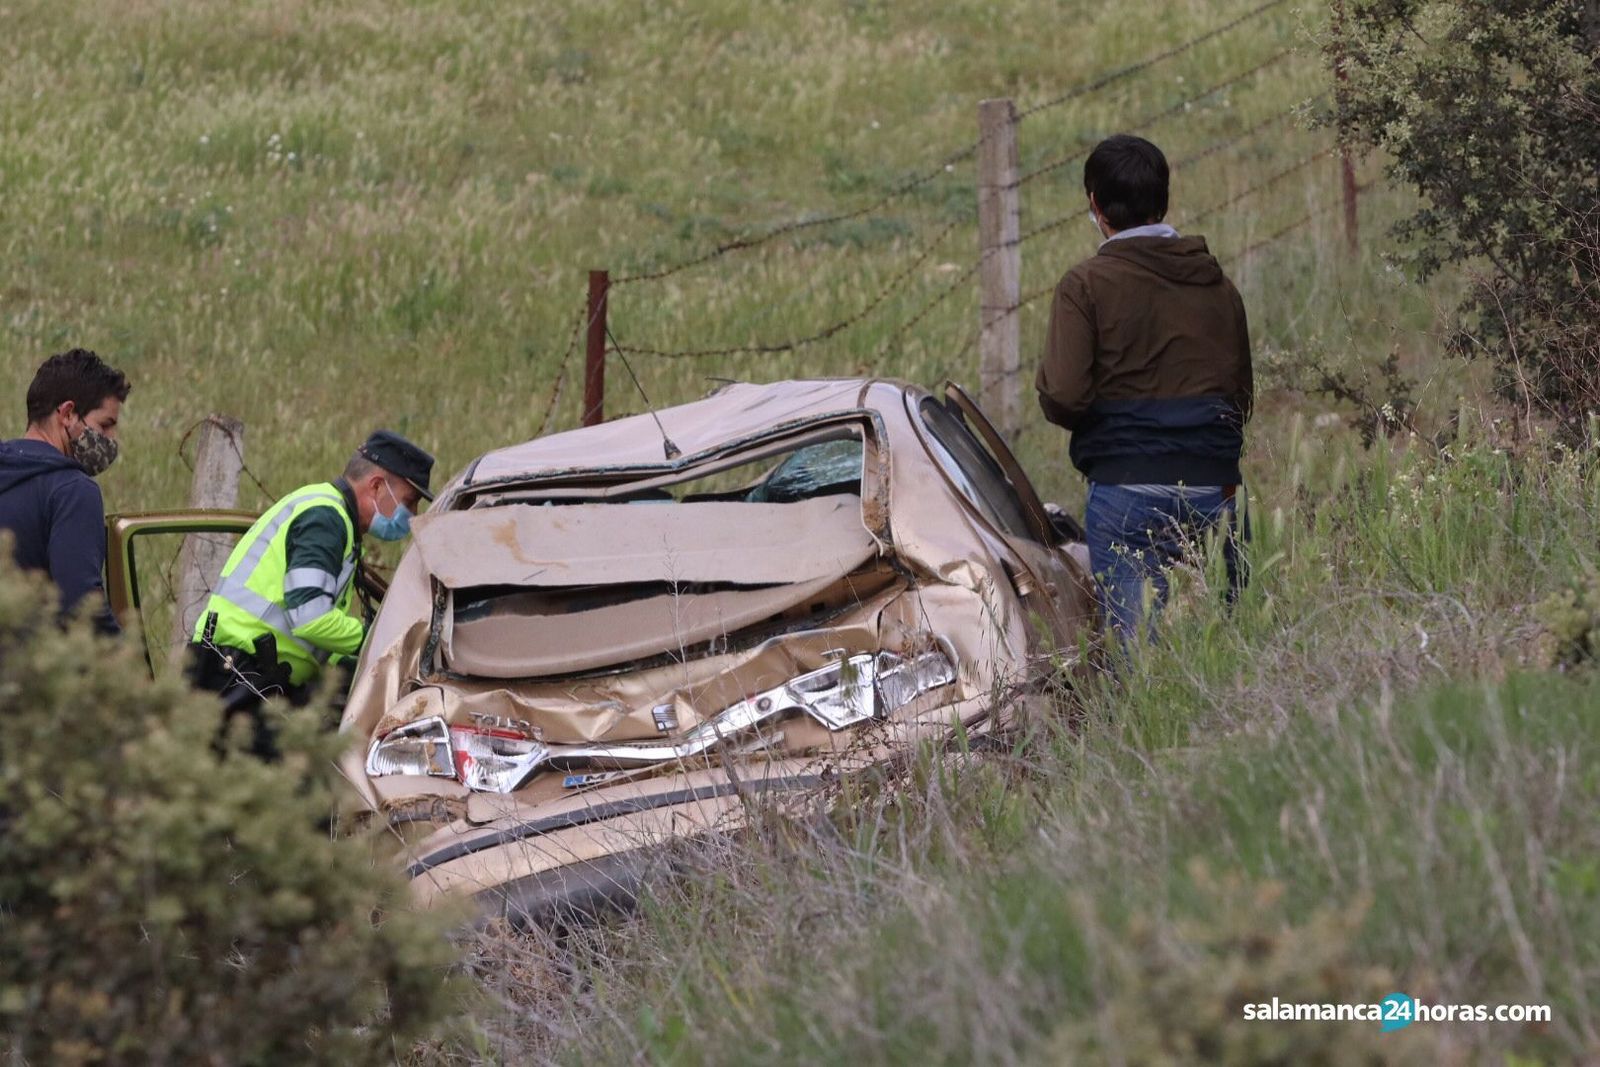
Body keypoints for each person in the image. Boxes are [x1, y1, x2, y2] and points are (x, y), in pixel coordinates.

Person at [1035, 134, 1252, 643]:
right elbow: (1240, 399)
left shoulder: (1084, 285)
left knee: (1140, 666)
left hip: (1126, 490)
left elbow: (1064, 396)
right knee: (1233, 650)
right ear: (1164, 200)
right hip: (1216, 486)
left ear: (1094, 203)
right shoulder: (1218, 286)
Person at [187, 430, 434, 756]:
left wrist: (350, 665)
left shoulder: (330, 514)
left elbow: (314, 631)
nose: (411, 516)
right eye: (409, 502)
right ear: (376, 486)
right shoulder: (326, 519)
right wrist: (385, 638)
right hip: (239, 676)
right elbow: (312, 619)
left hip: (241, 672)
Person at [0, 349, 131, 635]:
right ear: (68, 413)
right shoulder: (72, 491)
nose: (112, 440)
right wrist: (131, 668)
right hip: (32, 674)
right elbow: (81, 606)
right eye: (105, 425)